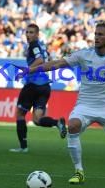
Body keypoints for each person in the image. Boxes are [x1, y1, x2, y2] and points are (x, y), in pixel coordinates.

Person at [23, 22, 105, 188]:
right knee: (73, 126)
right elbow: (56, 64)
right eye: (96, 34)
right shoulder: (84, 54)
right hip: (84, 104)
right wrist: (31, 70)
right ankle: (79, 172)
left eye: (100, 34)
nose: (96, 37)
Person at [11, 23, 67, 153]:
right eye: (27, 32)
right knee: (37, 119)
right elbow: (44, 59)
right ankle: (56, 123)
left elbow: (40, 60)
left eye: (31, 32)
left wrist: (27, 71)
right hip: (45, 86)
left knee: (20, 114)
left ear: (37, 34)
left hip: (33, 84)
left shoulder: (34, 45)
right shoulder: (42, 45)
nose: (28, 35)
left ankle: (23, 147)